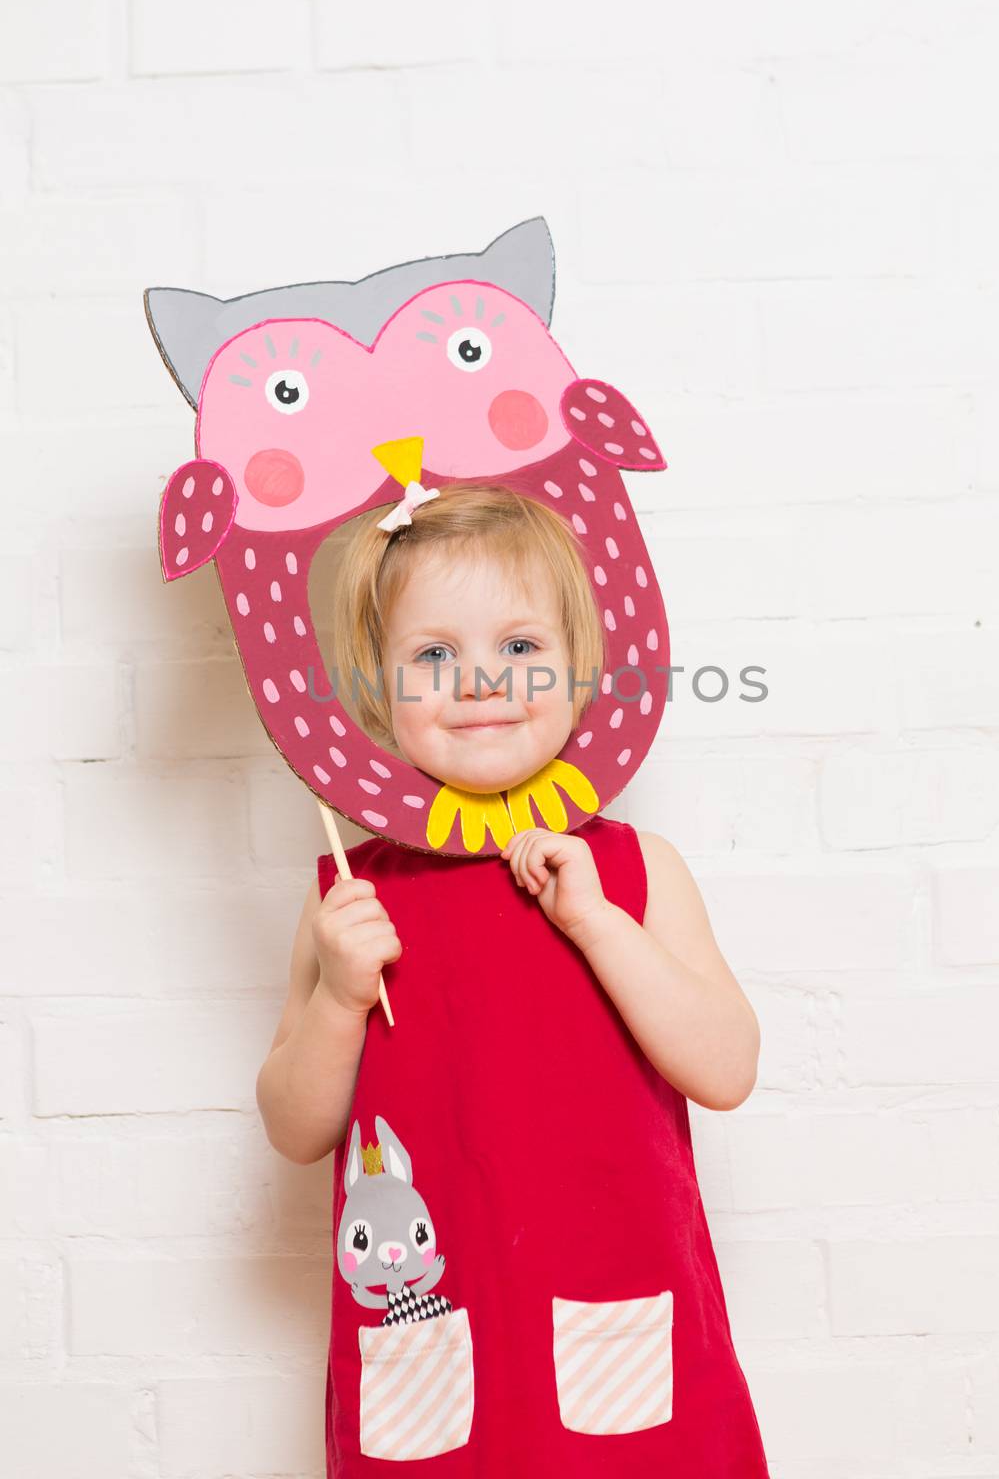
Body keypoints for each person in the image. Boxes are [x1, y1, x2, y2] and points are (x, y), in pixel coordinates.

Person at [256, 483, 771, 1476]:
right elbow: (293, 1123)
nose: (481, 680)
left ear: (581, 672)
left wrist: (595, 922)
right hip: (434, 1313)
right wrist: (336, 995)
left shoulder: (632, 869)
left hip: (615, 1299)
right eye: (434, 655)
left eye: (521, 648)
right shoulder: (351, 895)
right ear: (379, 686)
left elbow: (726, 1066)